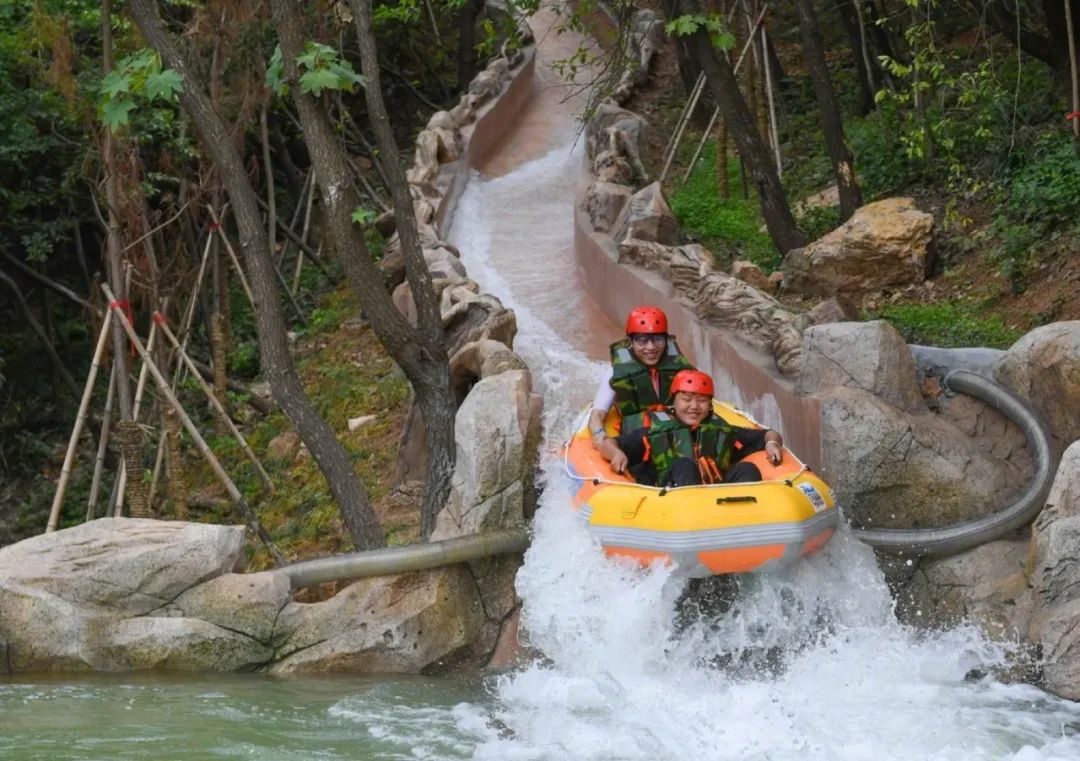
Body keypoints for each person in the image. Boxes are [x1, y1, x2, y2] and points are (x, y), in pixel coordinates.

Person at [598, 369, 784, 488]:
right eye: (686, 400)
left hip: (719, 503)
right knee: (684, 465)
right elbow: (609, 443)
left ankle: (747, 522)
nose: (694, 406)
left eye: (702, 401)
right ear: (673, 401)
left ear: (710, 405)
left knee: (748, 469)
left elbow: (768, 434)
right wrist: (616, 454)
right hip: (671, 505)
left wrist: (772, 443)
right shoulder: (651, 433)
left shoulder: (723, 432)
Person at [589, 305, 693, 448]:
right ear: (630, 342)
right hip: (638, 439)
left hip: (676, 432)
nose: (651, 347)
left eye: (658, 339)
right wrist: (599, 434)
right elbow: (597, 415)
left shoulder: (681, 370)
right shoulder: (615, 375)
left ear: (666, 340)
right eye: (642, 340)